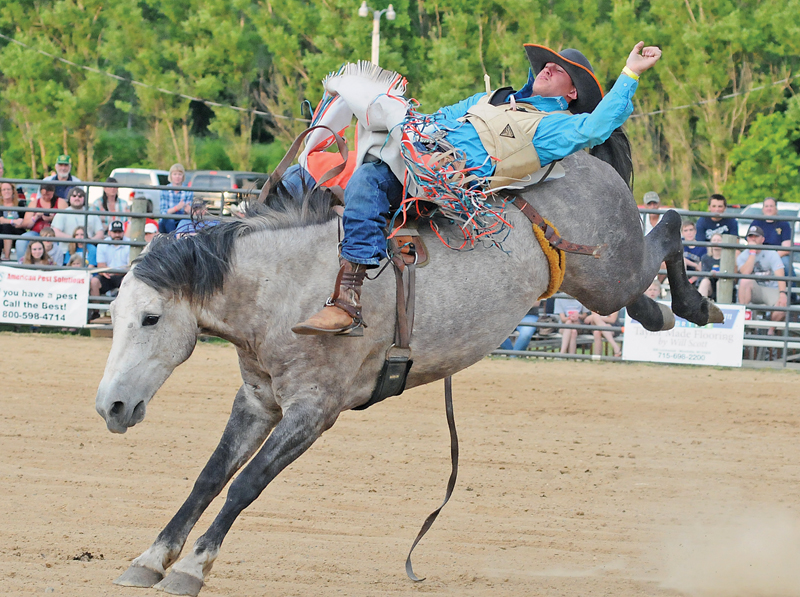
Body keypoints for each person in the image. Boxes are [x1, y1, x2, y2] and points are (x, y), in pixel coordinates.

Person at [293, 41, 664, 335]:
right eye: (550, 62)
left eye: (562, 71)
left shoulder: (553, 125)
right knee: (307, 171)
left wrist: (630, 72)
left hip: (446, 182)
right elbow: (440, 118)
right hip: (416, 153)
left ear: (571, 94)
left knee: (368, 181)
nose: (550, 66)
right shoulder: (492, 98)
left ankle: (347, 302)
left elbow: (595, 129)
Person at [736, 224, 787, 330]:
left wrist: (783, 294)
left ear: (762, 239)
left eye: (756, 236)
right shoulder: (742, 256)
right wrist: (752, 252)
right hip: (752, 290)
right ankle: (744, 323)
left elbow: (780, 275)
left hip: (771, 289)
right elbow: (745, 272)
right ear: (747, 239)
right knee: (745, 280)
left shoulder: (772, 253)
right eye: (750, 236)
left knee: (781, 309)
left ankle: (770, 331)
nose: (753, 239)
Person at [89, 221, 130, 316]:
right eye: (115, 232)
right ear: (109, 232)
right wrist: (105, 272)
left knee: (127, 281)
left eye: (119, 232)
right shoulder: (102, 244)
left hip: (123, 275)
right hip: (108, 274)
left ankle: (123, 314)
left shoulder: (129, 243)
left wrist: (108, 270)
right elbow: (100, 265)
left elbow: (130, 267)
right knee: (94, 282)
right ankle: (96, 312)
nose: (117, 235)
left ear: (123, 232)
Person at [15, 183, 68, 256]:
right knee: (21, 241)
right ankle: (23, 264)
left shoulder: (60, 202)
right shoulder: (34, 203)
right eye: (43, 195)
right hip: (36, 233)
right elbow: (25, 224)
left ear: (53, 192)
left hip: (54, 234)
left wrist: (53, 218)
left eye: (48, 194)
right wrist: (35, 217)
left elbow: (67, 221)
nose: (46, 197)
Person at [51, 187, 104, 252]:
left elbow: (100, 233)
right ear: (69, 198)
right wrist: (74, 239)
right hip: (66, 251)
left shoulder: (92, 214)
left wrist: (90, 240)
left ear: (84, 198)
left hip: (88, 252)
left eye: (80, 196)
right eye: (74, 196)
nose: (77, 198)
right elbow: (55, 233)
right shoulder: (62, 213)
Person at [749, 197, 792, 276]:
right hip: (759, 253)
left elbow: (786, 248)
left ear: (776, 209)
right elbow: (751, 242)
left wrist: (771, 258)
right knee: (742, 261)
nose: (769, 208)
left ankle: (791, 287)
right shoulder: (756, 222)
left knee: (786, 263)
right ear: (763, 209)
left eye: (771, 206)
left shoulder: (784, 224)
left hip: (778, 254)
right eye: (766, 206)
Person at [159, 163, 193, 233]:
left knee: (186, 222)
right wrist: (177, 207)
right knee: (169, 221)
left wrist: (189, 210)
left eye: (179, 174)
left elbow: (190, 211)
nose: (177, 176)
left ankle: (178, 241)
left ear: (183, 176)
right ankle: (175, 241)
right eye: (175, 174)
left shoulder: (188, 190)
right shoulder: (165, 190)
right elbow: (163, 212)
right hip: (168, 219)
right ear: (171, 176)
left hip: (182, 217)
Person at [0, 181, 26, 260]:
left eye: (8, 189)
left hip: (17, 229)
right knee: (5, 227)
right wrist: (13, 221)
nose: (6, 191)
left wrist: (7, 221)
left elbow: (23, 219)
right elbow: (0, 219)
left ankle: (7, 257)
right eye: (4, 189)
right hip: (3, 229)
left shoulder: (20, 203)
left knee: (6, 227)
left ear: (13, 191)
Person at [698, 233, 723, 300]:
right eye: (714, 240)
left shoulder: (727, 258)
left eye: (719, 240)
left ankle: (722, 306)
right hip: (710, 285)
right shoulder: (705, 258)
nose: (716, 242)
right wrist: (710, 274)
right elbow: (702, 276)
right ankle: (700, 307)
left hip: (723, 284)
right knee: (705, 281)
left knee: (720, 282)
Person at [681, 220, 706, 285]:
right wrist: (695, 265)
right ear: (682, 233)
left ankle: (686, 284)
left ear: (695, 231)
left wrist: (690, 281)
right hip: (680, 272)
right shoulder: (679, 243)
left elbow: (701, 267)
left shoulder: (702, 247)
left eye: (691, 230)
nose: (689, 233)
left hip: (696, 276)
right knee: (681, 262)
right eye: (686, 230)